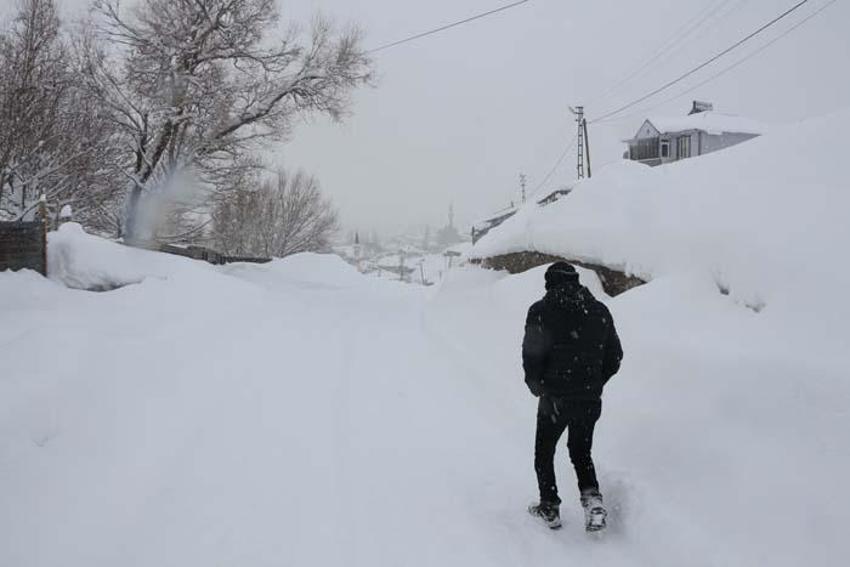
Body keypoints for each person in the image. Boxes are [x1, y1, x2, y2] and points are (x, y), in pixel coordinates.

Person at [522, 262, 623, 531]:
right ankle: (593, 503)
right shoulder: (599, 311)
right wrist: (593, 383)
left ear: (550, 283)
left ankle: (550, 506)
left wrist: (538, 386)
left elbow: (532, 357)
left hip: (554, 399)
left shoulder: (540, 311)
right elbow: (614, 357)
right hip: (589, 400)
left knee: (544, 452)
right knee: (581, 451)